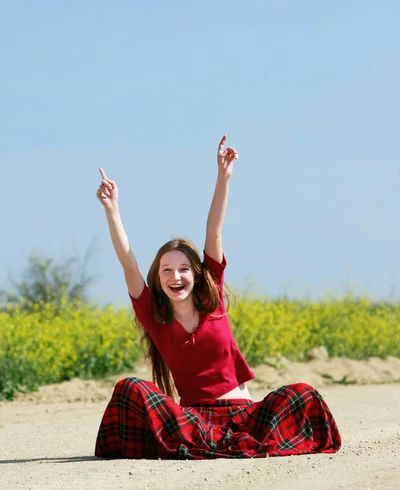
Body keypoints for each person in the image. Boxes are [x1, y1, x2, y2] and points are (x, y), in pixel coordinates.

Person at [94, 135, 341, 459]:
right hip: (194, 421)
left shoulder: (213, 303)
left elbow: (214, 231)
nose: (175, 276)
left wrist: (223, 177)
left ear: (197, 275)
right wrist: (112, 210)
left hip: (245, 418)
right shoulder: (154, 317)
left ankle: (215, 446)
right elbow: (129, 263)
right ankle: (200, 444)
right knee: (130, 388)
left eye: (183, 269)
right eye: (166, 271)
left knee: (302, 394)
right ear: (157, 279)